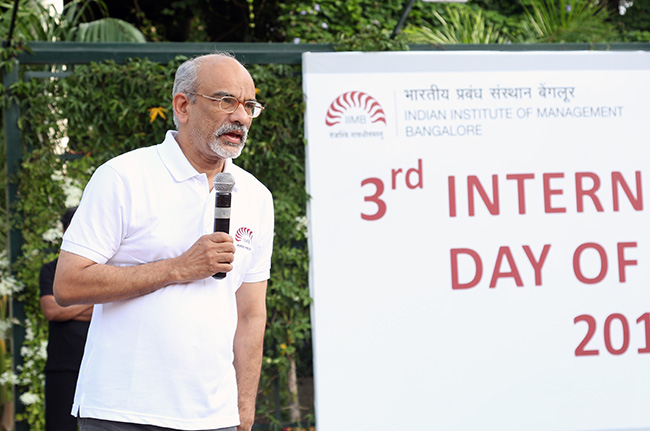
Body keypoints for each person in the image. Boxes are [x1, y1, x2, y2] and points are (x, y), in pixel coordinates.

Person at [53, 52, 274, 431]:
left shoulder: (255, 196)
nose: (240, 116)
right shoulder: (123, 176)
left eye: (249, 105)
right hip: (122, 413)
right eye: (226, 101)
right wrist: (177, 268)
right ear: (183, 105)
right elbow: (68, 284)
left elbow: (251, 313)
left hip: (215, 417)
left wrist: (243, 409)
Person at [40, 206, 93, 431]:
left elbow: (114, 306)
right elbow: (51, 310)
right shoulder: (51, 270)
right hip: (63, 366)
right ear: (65, 231)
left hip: (96, 365)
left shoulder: (106, 269)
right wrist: (96, 298)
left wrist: (70, 299)